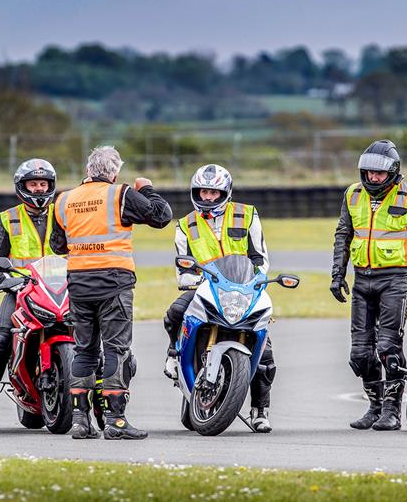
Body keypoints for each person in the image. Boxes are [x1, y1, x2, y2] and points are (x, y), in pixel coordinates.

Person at [51, 146, 172, 440]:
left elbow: (57, 245)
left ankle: (80, 421)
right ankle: (116, 421)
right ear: (114, 172)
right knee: (116, 349)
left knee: (84, 350)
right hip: (114, 281)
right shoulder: (120, 194)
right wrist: (148, 189)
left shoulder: (64, 200)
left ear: (87, 171)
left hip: (78, 282)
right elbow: (161, 216)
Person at [330, 140, 407, 431]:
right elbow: (342, 235)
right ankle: (374, 406)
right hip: (361, 280)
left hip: (394, 281)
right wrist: (337, 275)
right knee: (359, 354)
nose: (373, 178)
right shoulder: (352, 195)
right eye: (369, 173)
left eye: (379, 174)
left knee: (388, 348)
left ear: (394, 172)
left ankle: (392, 411)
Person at [162, 164, 275, 433]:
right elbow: (183, 271)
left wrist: (256, 279)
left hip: (244, 287)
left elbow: (260, 258)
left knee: (267, 352)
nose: (208, 197)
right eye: (203, 192)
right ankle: (173, 352)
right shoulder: (185, 225)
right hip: (205, 288)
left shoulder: (247, 215)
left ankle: (260, 410)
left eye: (214, 192)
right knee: (175, 312)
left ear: (225, 192)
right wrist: (197, 281)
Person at [0, 159, 58, 384]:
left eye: (43, 184)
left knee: (89, 335)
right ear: (22, 186)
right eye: (33, 184)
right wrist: (13, 283)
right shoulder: (6, 219)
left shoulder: (62, 215)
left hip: (60, 290)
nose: (39, 188)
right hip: (21, 290)